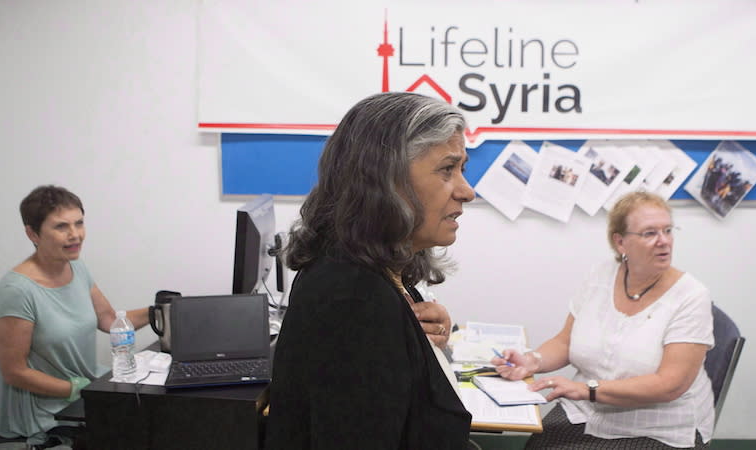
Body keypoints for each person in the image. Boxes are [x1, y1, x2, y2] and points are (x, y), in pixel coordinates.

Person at [265, 92, 476, 449]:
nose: (467, 191)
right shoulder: (353, 296)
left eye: (462, 170)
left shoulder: (373, 276)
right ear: (386, 180)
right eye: (446, 169)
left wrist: (425, 349)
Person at [493, 191, 714, 449]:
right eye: (649, 233)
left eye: (668, 230)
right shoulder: (600, 276)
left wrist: (588, 389)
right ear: (620, 243)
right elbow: (566, 342)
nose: (664, 241)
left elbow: (669, 385)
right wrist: (532, 360)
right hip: (586, 412)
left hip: (659, 428)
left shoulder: (691, 297)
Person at [0, 185, 151, 449]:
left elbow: (108, 319)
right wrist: (78, 389)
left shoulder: (75, 265)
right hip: (47, 409)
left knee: (158, 416)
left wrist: (160, 311)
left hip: (84, 389)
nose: (75, 235)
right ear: (33, 233)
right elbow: (14, 372)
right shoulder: (15, 291)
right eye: (61, 227)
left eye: (79, 223)